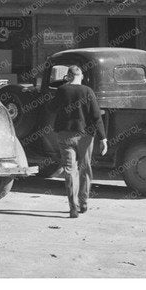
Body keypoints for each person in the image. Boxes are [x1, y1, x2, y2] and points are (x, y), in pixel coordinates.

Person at [47, 63, 107, 218]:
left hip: (65, 136)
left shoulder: (62, 90)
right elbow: (96, 116)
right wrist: (103, 138)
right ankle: (84, 203)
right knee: (84, 169)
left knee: (69, 171)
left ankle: (73, 207)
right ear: (82, 76)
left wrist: (62, 88)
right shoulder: (88, 91)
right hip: (85, 137)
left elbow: (51, 108)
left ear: (68, 76)